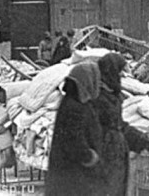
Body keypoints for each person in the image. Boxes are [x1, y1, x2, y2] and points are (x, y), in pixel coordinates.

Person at [92, 53, 149, 196]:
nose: (122, 75)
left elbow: (119, 125)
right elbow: (113, 127)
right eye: (119, 72)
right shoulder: (98, 98)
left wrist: (140, 139)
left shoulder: (111, 94)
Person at [46, 62, 104, 196]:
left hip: (69, 172)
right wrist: (89, 156)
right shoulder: (75, 107)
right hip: (74, 173)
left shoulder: (74, 101)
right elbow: (74, 139)